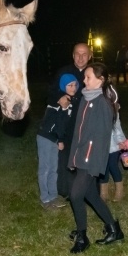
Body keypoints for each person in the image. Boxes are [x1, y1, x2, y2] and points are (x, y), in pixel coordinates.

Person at [67, 62, 125, 253]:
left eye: (88, 77)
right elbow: (78, 132)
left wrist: (96, 166)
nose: (84, 80)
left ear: (100, 81)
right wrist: (73, 158)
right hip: (81, 156)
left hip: (91, 160)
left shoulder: (103, 104)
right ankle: (114, 229)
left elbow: (102, 140)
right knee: (91, 195)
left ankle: (83, 238)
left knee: (75, 195)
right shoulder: (85, 99)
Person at [52, 43, 91, 198]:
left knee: (85, 158)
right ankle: (65, 190)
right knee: (65, 157)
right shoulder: (63, 72)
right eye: (77, 54)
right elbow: (51, 93)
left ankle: (87, 190)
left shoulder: (94, 72)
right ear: (73, 55)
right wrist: (59, 97)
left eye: (84, 54)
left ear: (90, 56)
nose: (81, 57)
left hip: (87, 123)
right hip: (67, 124)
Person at [36, 74, 77, 210]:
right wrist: (63, 108)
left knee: (54, 169)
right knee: (45, 169)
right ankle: (45, 198)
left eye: (75, 85)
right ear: (63, 86)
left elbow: (63, 125)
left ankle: (53, 196)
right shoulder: (56, 100)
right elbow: (56, 121)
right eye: (69, 85)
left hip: (54, 138)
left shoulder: (69, 102)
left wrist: (60, 139)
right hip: (45, 137)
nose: (73, 87)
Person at [100, 86, 126, 202]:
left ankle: (119, 191)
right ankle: (103, 192)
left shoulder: (114, 111)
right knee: (103, 168)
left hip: (113, 145)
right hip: (100, 145)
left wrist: (121, 141)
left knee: (113, 166)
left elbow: (117, 127)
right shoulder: (96, 111)